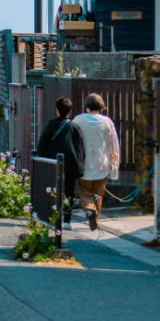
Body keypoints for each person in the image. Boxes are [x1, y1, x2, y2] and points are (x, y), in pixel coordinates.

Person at [70, 93, 120, 231]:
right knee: (99, 193)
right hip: (102, 163)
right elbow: (114, 143)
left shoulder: (78, 120)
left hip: (84, 163)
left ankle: (90, 211)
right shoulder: (107, 122)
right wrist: (114, 163)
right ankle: (95, 217)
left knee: (85, 192)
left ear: (86, 106)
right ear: (101, 106)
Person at [36, 97, 84, 229]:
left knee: (51, 189)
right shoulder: (75, 126)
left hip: (52, 162)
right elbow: (80, 147)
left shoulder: (50, 125)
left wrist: (41, 157)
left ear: (57, 110)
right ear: (70, 110)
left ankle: (51, 217)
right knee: (69, 192)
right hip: (71, 162)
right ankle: (67, 220)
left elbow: (42, 146)